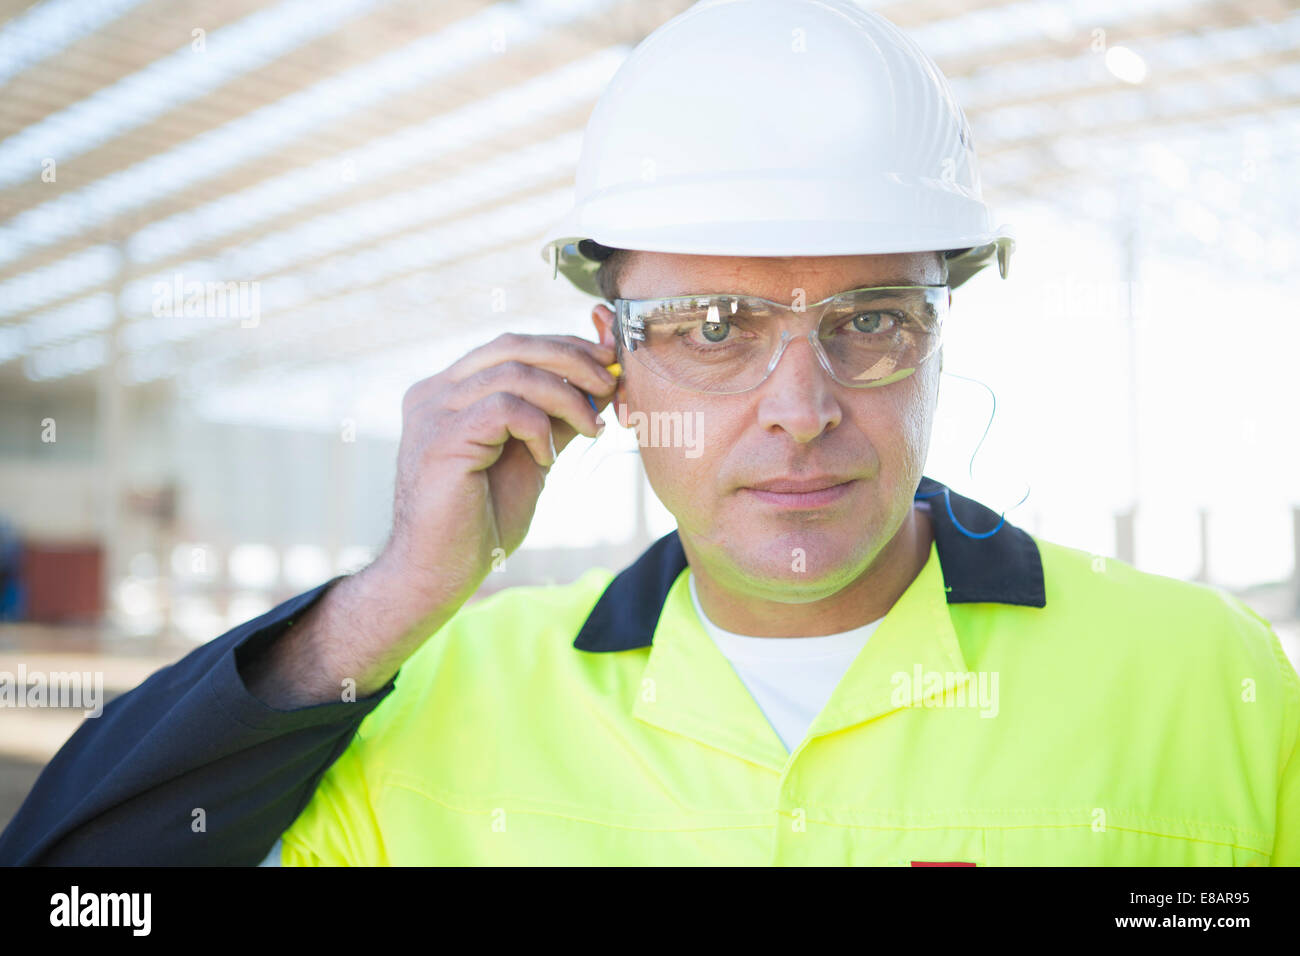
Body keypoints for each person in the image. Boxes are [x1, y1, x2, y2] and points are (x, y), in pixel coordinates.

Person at [2, 0, 1296, 866]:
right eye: (716, 326)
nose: (801, 406)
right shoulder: (433, 702)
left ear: (943, 331)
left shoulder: (1206, 685)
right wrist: (372, 610)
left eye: (874, 319)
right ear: (603, 356)